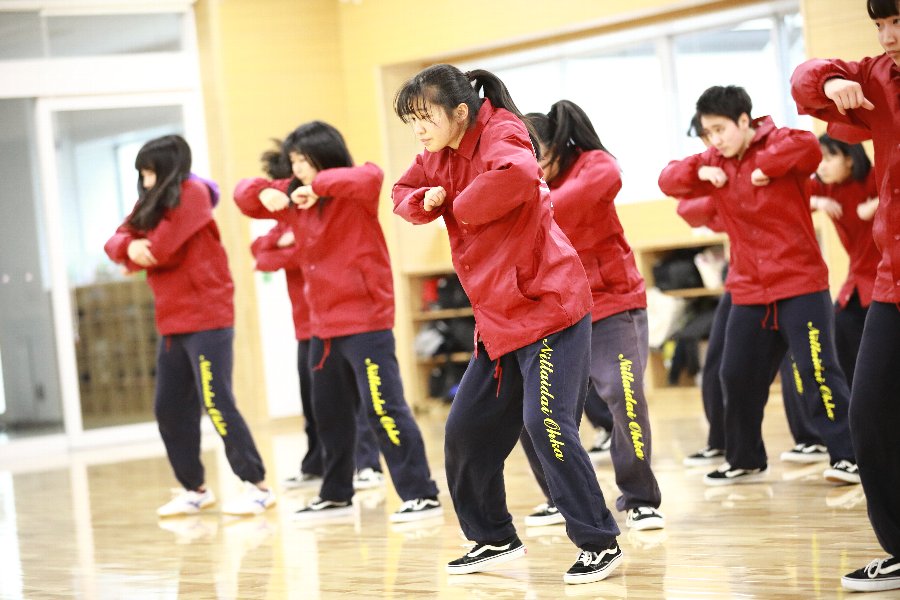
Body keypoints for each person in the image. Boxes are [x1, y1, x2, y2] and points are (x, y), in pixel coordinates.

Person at [392, 64, 622, 585]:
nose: (419, 131)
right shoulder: (435, 153)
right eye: (412, 122)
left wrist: (455, 204)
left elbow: (518, 175)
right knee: (466, 430)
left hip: (548, 307)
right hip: (497, 319)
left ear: (459, 112)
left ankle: (598, 541)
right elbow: (402, 193)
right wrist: (422, 201)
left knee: (547, 425)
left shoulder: (502, 130)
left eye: (425, 118)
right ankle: (493, 537)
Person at [234, 121, 441, 523]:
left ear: (323, 157)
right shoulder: (294, 196)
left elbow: (370, 175)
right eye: (292, 161)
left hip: (365, 321)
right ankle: (335, 492)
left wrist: (319, 186)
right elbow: (243, 197)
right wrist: (267, 192)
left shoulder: (354, 191)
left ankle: (420, 493)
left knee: (384, 410)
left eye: (302, 160)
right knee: (327, 414)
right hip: (322, 328)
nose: (297, 169)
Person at [657, 85, 858, 487]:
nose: (714, 140)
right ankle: (745, 459)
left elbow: (809, 148)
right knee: (735, 375)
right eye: (707, 133)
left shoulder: (781, 141)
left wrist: (766, 164)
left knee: (818, 371)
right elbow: (668, 181)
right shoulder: (713, 158)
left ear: (744, 121)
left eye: (720, 130)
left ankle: (848, 455)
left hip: (800, 283)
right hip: (749, 289)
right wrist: (700, 170)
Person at [104, 134, 276, 517]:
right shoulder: (150, 202)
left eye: (149, 171)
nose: (145, 180)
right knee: (168, 407)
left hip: (208, 317)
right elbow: (116, 239)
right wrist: (128, 247)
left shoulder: (193, 193)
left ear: (166, 168)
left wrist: (132, 251)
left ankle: (258, 486)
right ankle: (194, 489)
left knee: (217, 403)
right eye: (142, 173)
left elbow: (159, 249)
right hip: (172, 322)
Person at [791, 0, 900, 591]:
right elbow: (805, 84)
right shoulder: (880, 81)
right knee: (870, 413)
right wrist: (832, 78)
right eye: (879, 24)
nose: (886, 36)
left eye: (897, 21)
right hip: (890, 281)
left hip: (840, 282)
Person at [519, 100, 663, 532]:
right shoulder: (521, 180)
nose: (535, 169)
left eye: (539, 158)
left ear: (558, 147)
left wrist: (532, 205)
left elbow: (595, 187)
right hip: (555, 312)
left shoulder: (593, 165)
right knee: (533, 411)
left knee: (623, 394)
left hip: (612, 302)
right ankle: (561, 499)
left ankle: (640, 497)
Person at [250, 143, 384, 492]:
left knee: (361, 398)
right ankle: (317, 464)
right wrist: (287, 243)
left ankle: (368, 464)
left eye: (300, 165)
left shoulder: (329, 205)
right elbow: (260, 256)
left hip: (341, 321)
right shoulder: (286, 214)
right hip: (307, 326)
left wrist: (291, 245)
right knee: (317, 404)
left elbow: (311, 250)